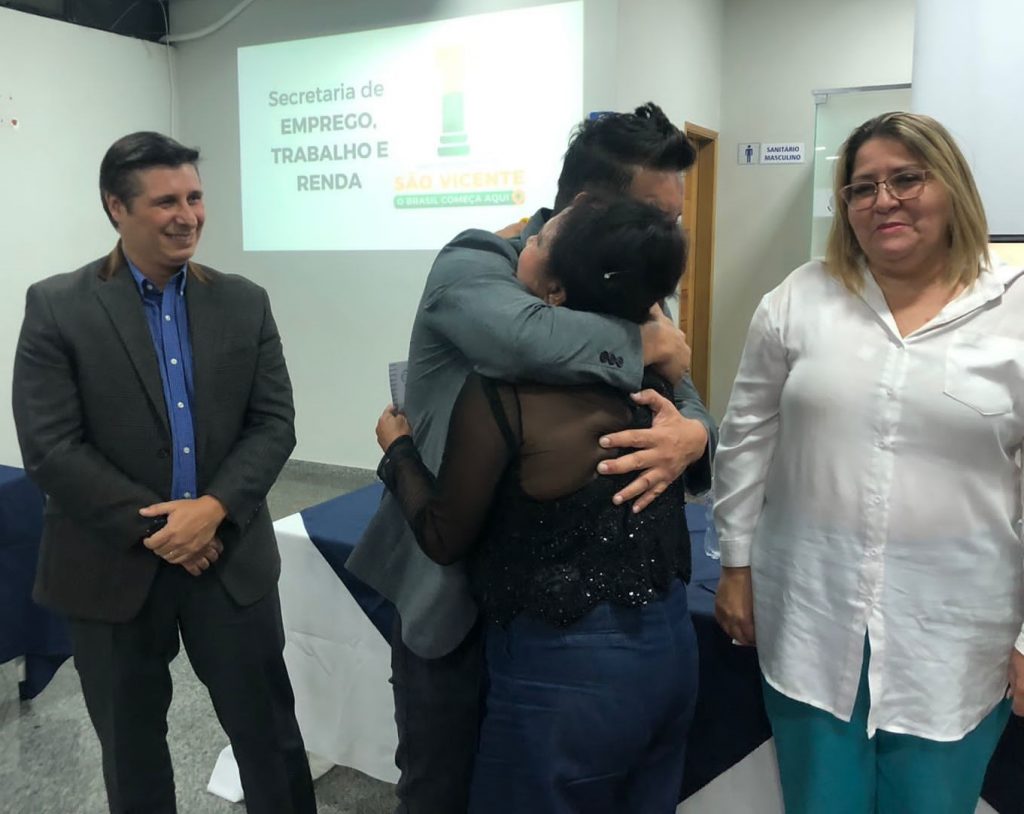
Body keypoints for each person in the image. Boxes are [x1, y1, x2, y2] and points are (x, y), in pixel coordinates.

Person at [346, 101, 717, 813]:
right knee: (441, 784)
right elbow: (520, 340)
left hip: (563, 615)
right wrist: (643, 343)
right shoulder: (479, 259)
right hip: (456, 596)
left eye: (673, 222)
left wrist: (693, 436)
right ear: (586, 205)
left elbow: (688, 394)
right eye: (655, 215)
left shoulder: (628, 275)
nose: (663, 238)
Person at [712, 111, 1024, 814]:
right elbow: (747, 435)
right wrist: (735, 564)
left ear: (952, 187)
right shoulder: (800, 298)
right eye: (862, 187)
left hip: (954, 636)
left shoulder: (1014, 308)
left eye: (907, 179)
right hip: (811, 619)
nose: (884, 200)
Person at [11, 132, 315, 814]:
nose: (188, 216)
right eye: (166, 202)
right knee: (132, 752)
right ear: (116, 208)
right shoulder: (58, 307)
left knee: (270, 738)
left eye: (195, 197)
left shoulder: (243, 301)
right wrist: (165, 529)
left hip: (228, 559)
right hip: (111, 566)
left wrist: (214, 509)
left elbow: (274, 422)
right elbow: (52, 447)